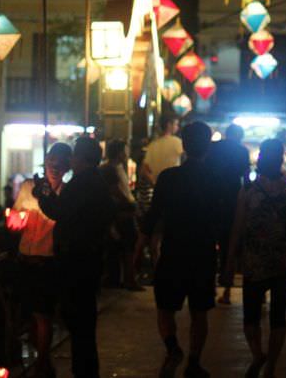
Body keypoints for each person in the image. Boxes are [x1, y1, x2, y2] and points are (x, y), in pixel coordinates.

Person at [139, 120, 217, 378]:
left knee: (165, 308)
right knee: (199, 312)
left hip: (173, 251)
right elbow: (224, 221)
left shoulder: (169, 178)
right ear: (208, 146)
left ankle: (173, 348)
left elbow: (153, 217)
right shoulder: (215, 180)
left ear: (184, 145)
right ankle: (194, 361)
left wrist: (140, 248)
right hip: (203, 253)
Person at [35, 136, 116, 378]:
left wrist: (42, 196)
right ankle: (87, 370)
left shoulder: (81, 183)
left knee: (79, 323)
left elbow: (59, 212)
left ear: (80, 158)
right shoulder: (97, 183)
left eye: (74, 156)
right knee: (84, 325)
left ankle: (84, 372)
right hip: (89, 260)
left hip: (75, 262)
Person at [229, 138, 286, 378]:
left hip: (254, 260)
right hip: (282, 261)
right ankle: (271, 364)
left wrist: (229, 260)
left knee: (251, 315)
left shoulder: (249, 191)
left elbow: (237, 228)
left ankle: (258, 354)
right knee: (277, 317)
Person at [12, 141, 72, 378]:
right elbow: (16, 217)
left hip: (48, 261)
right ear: (46, 162)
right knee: (30, 316)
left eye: (59, 163)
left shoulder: (66, 194)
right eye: (51, 162)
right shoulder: (29, 187)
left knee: (43, 316)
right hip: (25, 258)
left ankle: (41, 363)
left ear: (67, 165)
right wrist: (16, 221)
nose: (54, 167)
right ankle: (43, 362)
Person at [206, 123, 251, 305]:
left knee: (209, 243)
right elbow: (246, 177)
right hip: (233, 198)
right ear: (239, 136)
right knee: (229, 245)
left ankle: (209, 287)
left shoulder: (214, 147)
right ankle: (226, 290)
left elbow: (206, 169)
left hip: (212, 198)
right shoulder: (241, 151)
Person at [140, 116, 183, 271]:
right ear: (170, 124)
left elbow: (144, 168)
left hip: (158, 190)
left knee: (156, 232)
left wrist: (153, 181)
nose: (177, 126)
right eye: (176, 123)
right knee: (172, 231)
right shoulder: (177, 143)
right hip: (175, 191)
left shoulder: (153, 145)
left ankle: (156, 266)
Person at [100, 139, 140, 290]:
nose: (127, 153)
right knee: (127, 246)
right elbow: (115, 191)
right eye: (125, 150)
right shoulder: (109, 169)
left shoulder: (117, 167)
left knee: (122, 247)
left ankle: (119, 279)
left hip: (122, 211)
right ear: (119, 152)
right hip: (120, 213)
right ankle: (128, 279)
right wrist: (131, 204)